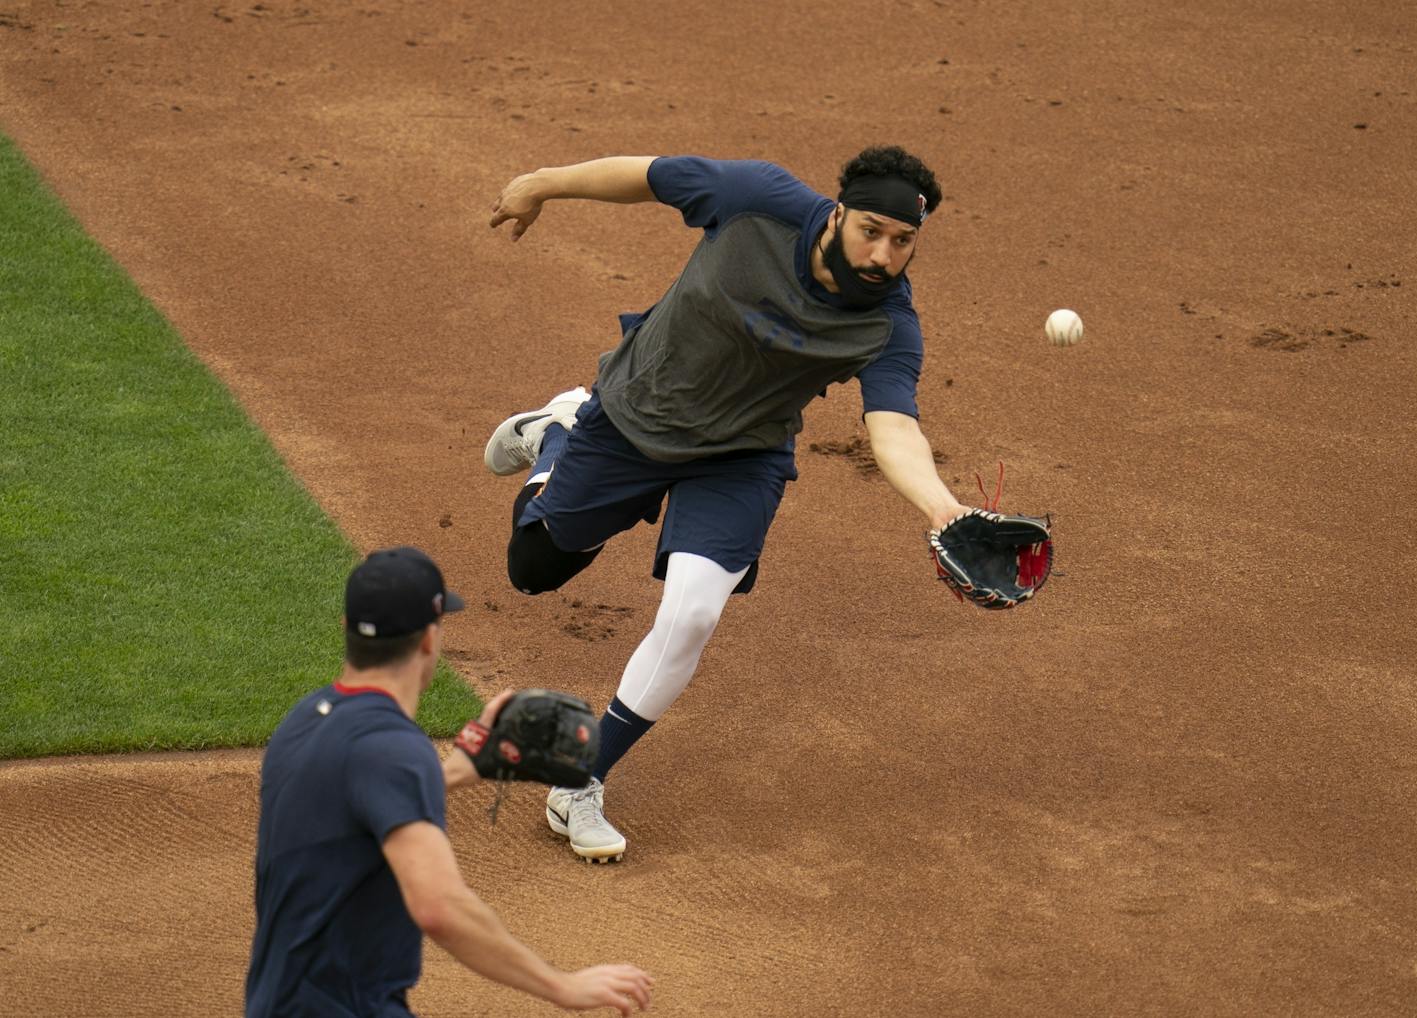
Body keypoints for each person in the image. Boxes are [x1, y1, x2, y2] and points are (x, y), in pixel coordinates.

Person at [483, 148, 974, 864]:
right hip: (635, 414)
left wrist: (942, 506)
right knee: (534, 569)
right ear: (837, 213)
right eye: (871, 230)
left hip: (742, 455)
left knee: (692, 615)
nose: (883, 255)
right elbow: (646, 176)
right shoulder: (757, 200)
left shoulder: (888, 325)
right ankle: (559, 428)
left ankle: (580, 778)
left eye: (903, 242)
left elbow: (893, 426)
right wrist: (541, 183)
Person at [245, 546, 654, 1016]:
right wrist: (562, 987)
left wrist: (456, 771)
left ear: (347, 630)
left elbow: (352, 803)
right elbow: (439, 907)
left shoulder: (305, 720)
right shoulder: (395, 749)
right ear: (427, 640)